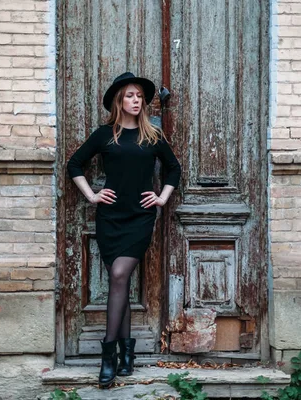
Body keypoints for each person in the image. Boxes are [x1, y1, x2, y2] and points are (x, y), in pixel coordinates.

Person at [67, 72, 181, 387]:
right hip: (109, 218)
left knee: (118, 277)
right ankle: (126, 355)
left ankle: (108, 359)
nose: (136, 100)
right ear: (119, 100)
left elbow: (174, 168)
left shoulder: (153, 135)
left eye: (139, 96)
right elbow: (74, 164)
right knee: (122, 283)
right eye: (130, 95)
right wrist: (91, 194)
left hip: (140, 217)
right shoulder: (105, 135)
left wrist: (161, 197)